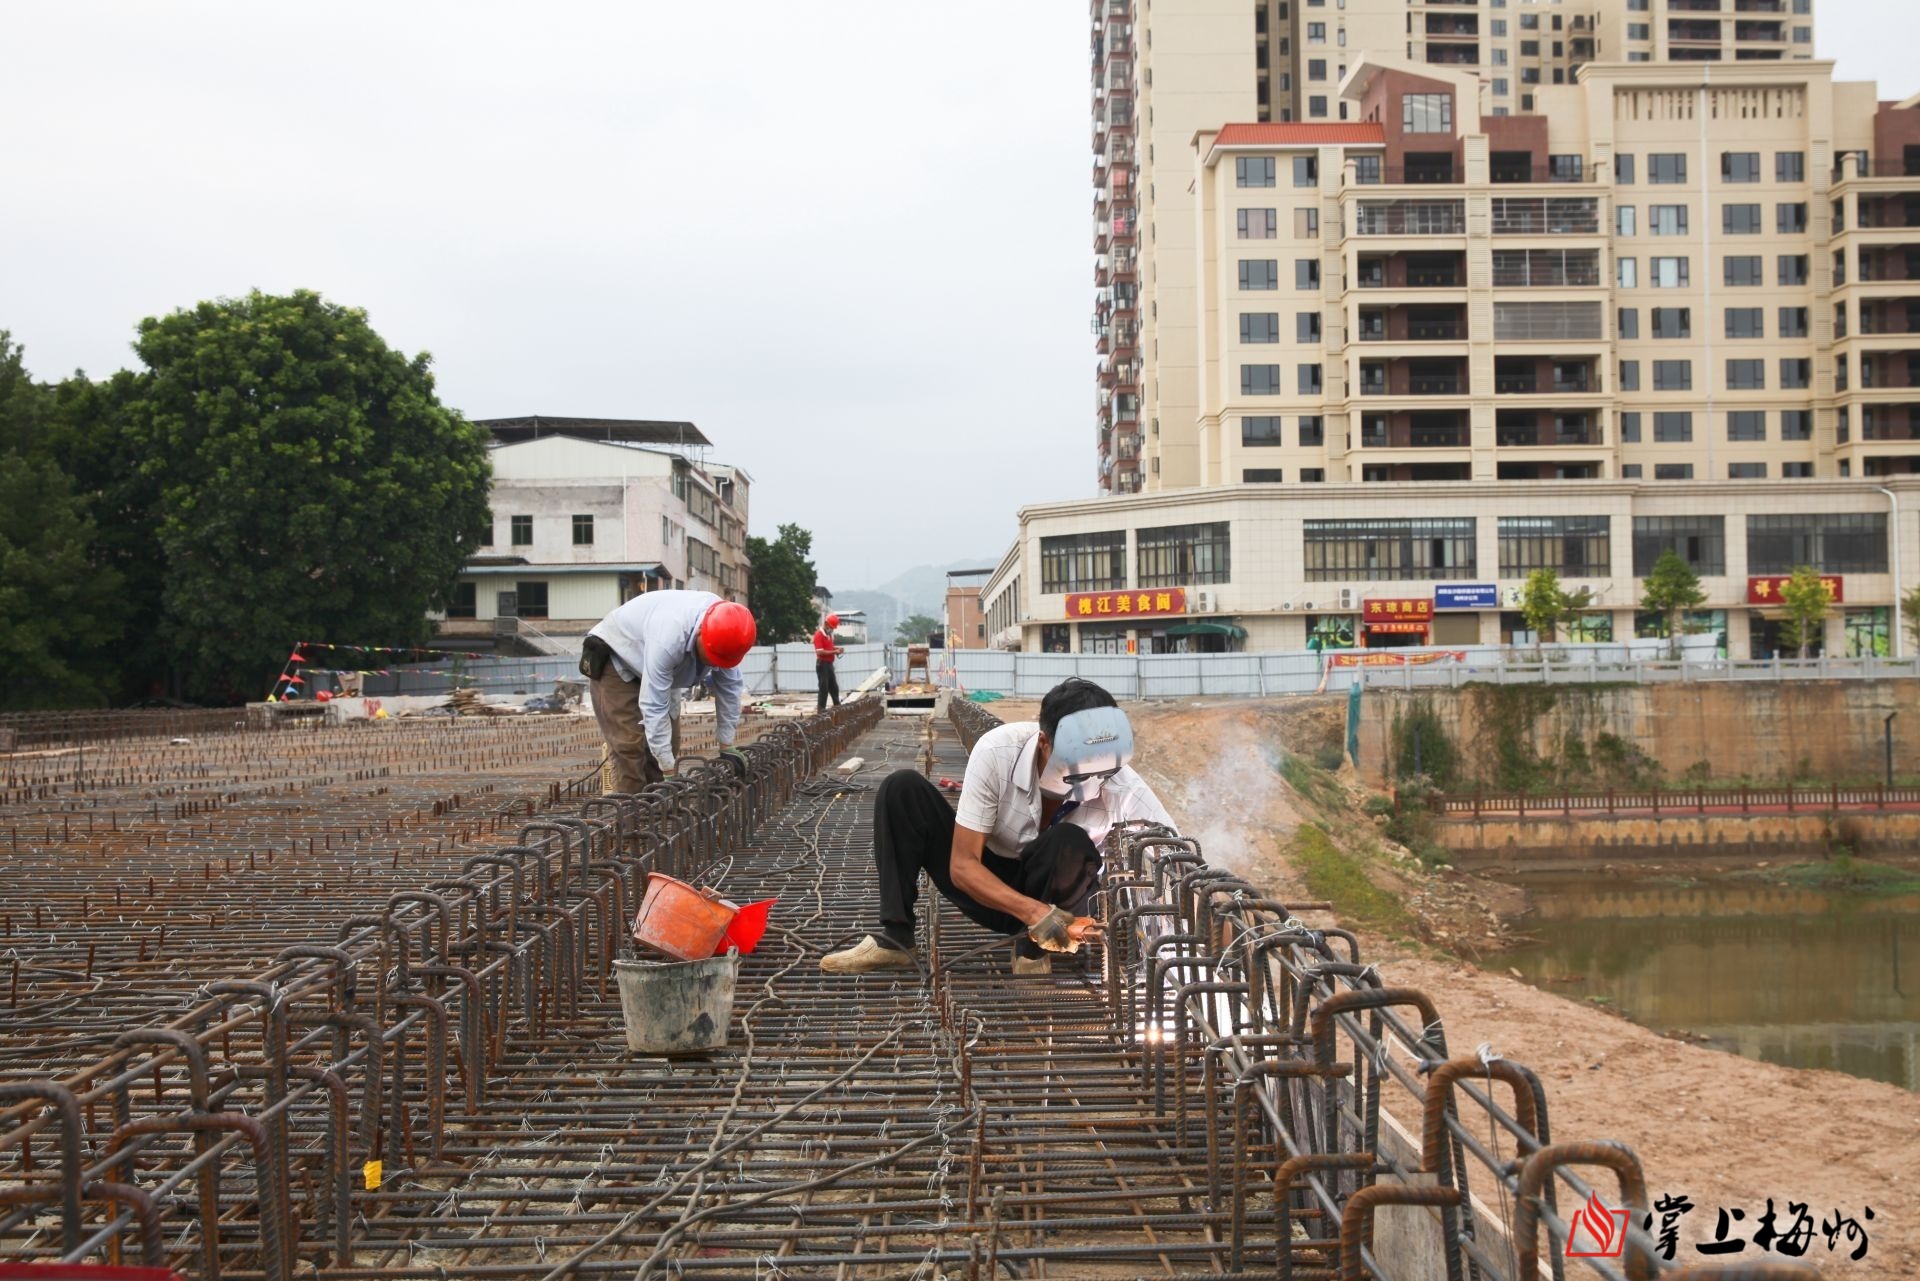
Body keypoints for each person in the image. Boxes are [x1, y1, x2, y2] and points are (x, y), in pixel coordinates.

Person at [822, 678, 1174, 976]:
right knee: (901, 789)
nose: (1090, 782)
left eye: (1100, 769)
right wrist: (1034, 912)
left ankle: (1032, 950)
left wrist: (1213, 916)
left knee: (1070, 839)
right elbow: (961, 866)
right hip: (986, 885)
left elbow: (1174, 862)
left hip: (1058, 899)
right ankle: (895, 938)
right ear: (1044, 743)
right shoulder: (997, 752)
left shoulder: (1122, 784)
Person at [579, 590, 757, 793]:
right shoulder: (669, 637)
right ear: (700, 632)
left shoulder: (728, 633)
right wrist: (669, 770)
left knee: (669, 744)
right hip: (618, 657)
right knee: (629, 746)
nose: (713, 663)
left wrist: (726, 744)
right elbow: (654, 706)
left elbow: (729, 690)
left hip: (666, 666)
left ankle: (658, 807)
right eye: (710, 655)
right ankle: (631, 815)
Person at [813, 612, 842, 712]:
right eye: (832, 627)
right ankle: (821, 709)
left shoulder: (828, 635)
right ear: (826, 624)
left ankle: (837, 705)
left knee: (834, 687)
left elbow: (828, 648)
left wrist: (836, 649)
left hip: (829, 664)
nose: (832, 629)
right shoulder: (819, 635)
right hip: (822, 664)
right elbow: (820, 652)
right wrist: (834, 651)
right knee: (823, 687)